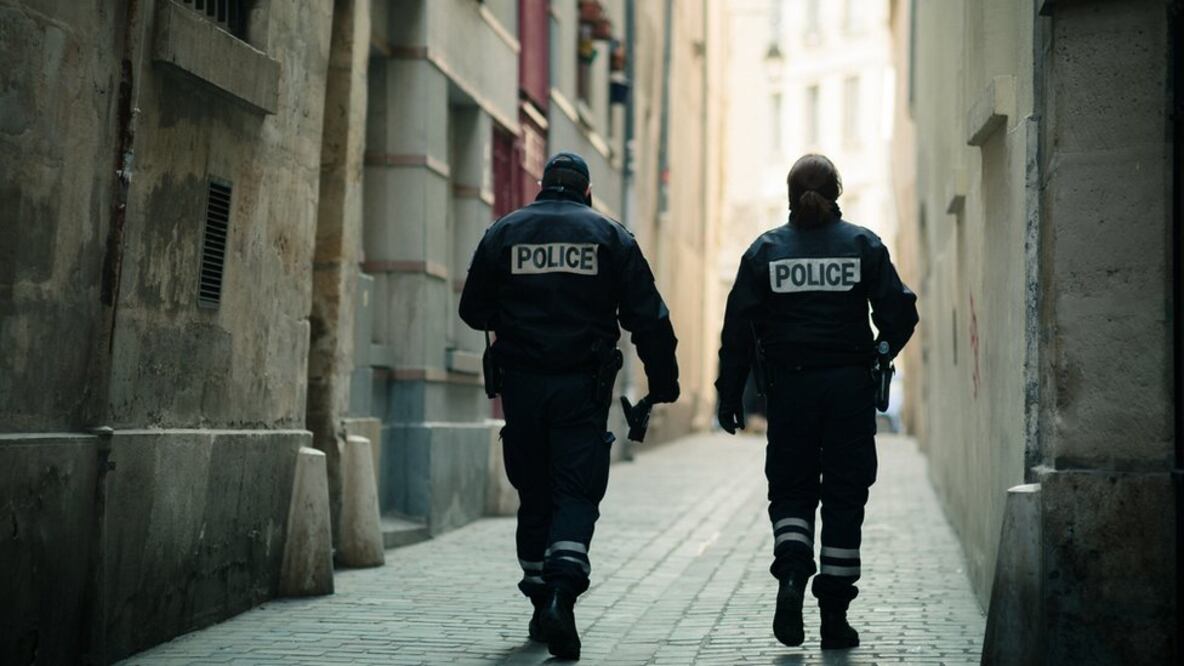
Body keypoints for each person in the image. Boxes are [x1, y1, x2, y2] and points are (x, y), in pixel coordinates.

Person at [459, 152, 680, 660]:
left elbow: (473, 310)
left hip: (522, 386)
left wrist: (514, 313)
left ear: (542, 187)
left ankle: (540, 601)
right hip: (582, 389)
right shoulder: (611, 237)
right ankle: (562, 593)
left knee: (534, 492)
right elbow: (649, 317)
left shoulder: (504, 232)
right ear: (585, 192)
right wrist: (664, 383)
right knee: (576, 492)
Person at [715, 154, 918, 650]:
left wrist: (729, 394)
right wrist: (882, 350)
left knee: (791, 489)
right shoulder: (863, 245)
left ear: (789, 196)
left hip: (790, 391)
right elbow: (900, 313)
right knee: (846, 495)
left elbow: (737, 331)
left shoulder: (766, 251)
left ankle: (791, 573)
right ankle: (834, 615)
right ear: (838, 193)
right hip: (849, 390)